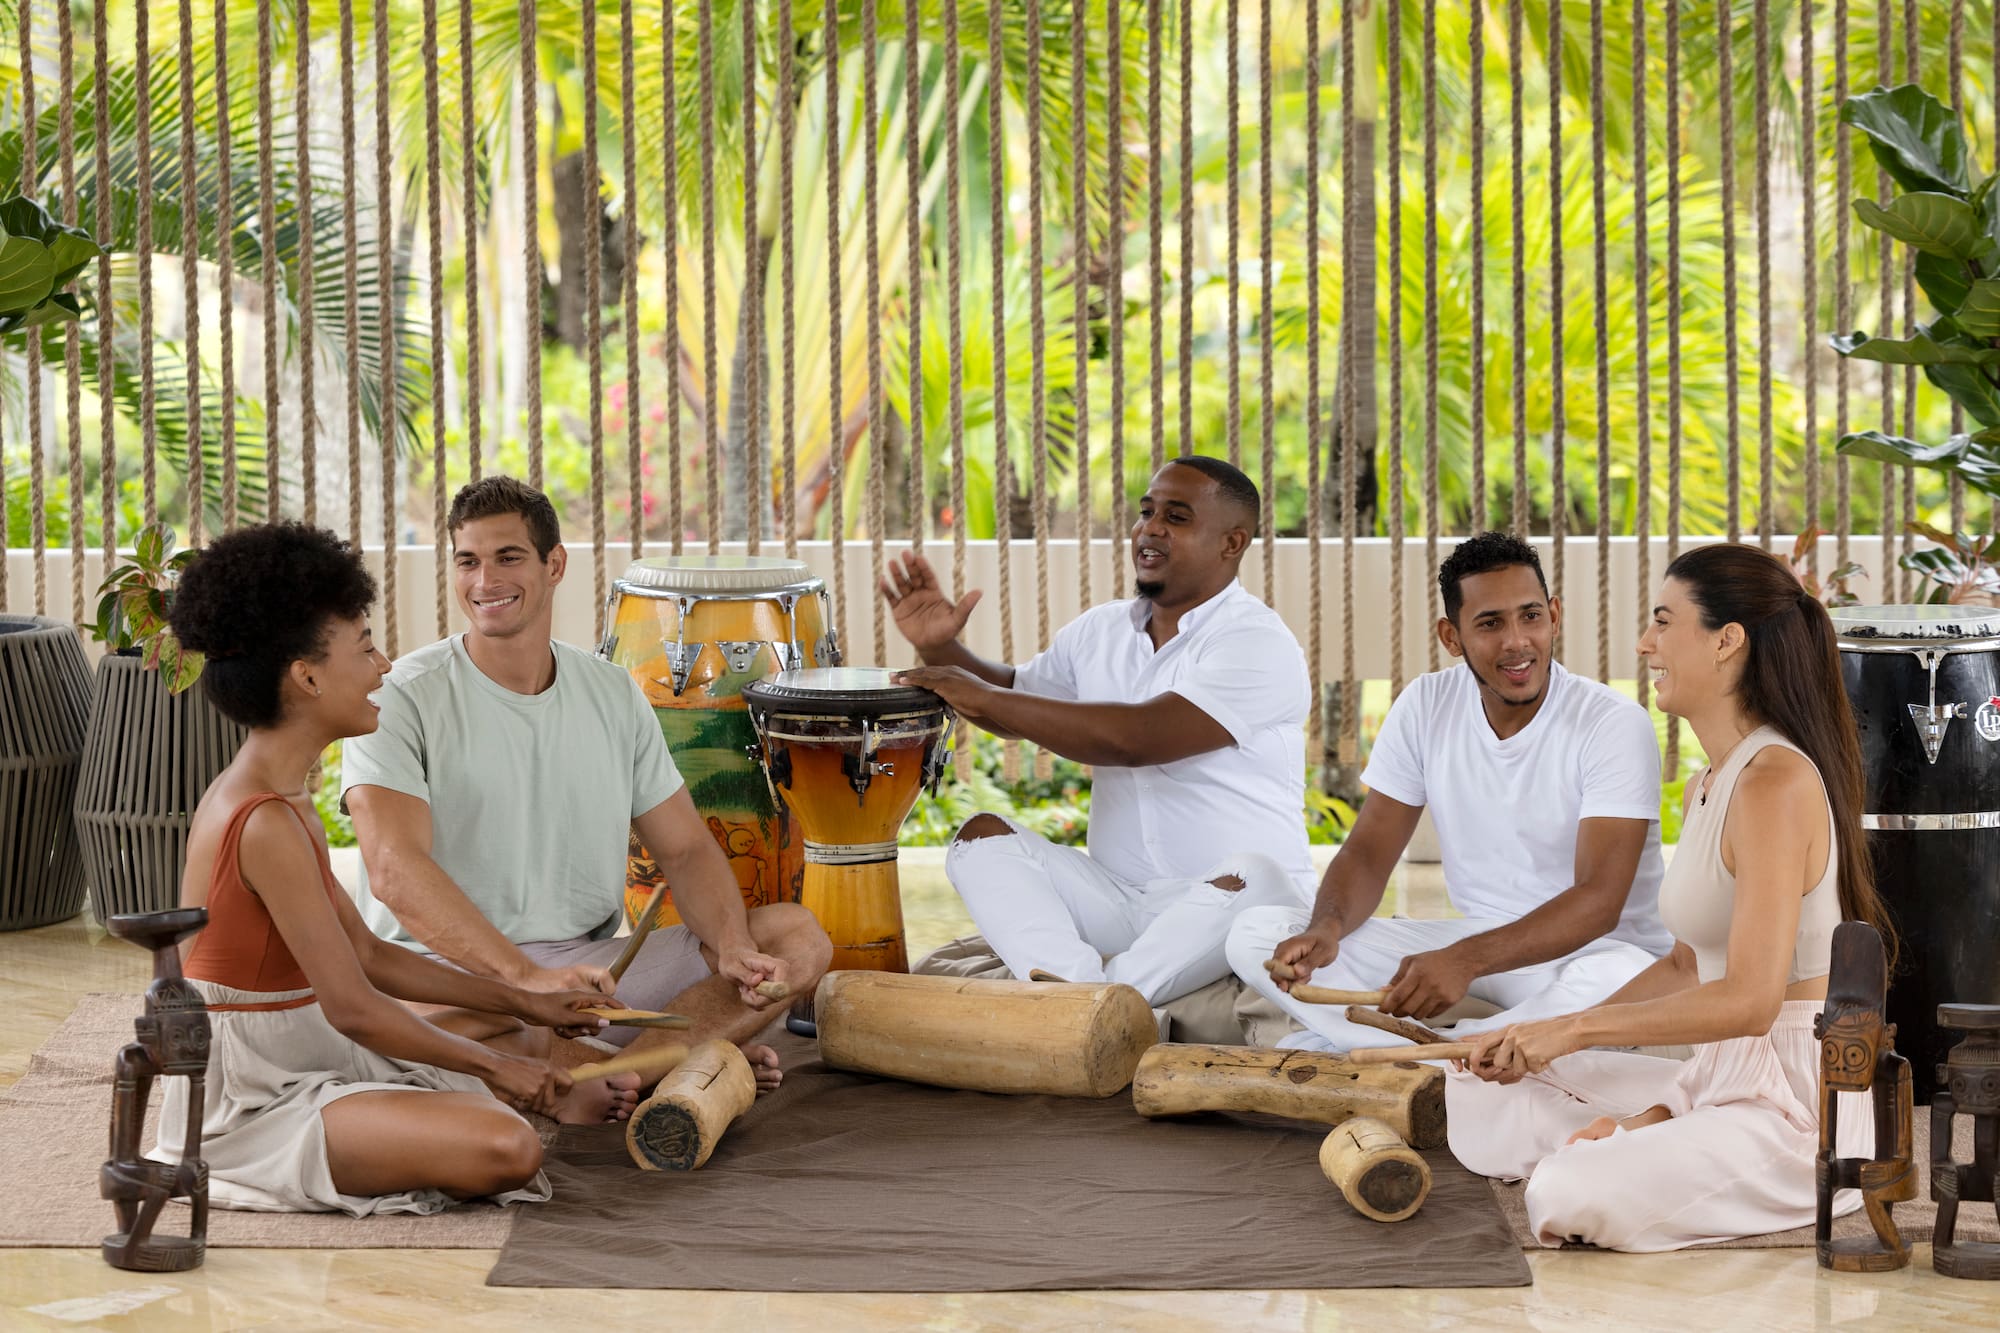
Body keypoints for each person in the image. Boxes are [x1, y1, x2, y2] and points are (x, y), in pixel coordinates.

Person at [160, 522, 620, 1216]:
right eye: (366, 647)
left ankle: (487, 1085)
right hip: (253, 1093)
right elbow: (352, 1005)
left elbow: (370, 953)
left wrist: (527, 995)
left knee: (522, 1037)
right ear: (307, 676)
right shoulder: (264, 822)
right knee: (508, 1145)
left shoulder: (284, 798)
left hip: (307, 1048)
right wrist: (501, 1070)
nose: (383, 666)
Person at [1446, 543, 1888, 1251]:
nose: (1645, 643)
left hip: (1797, 1105)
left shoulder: (1775, 783)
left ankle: (1624, 1150)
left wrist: (1575, 1032)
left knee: (1565, 1190)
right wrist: (1545, 1035)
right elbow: (1688, 966)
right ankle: (1644, 1137)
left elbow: (1750, 1000)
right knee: (1477, 1089)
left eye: (1661, 622)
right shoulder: (1708, 781)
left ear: (1726, 642)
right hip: (1718, 1070)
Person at [341, 477, 832, 1093]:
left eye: (508, 557)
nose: (484, 582)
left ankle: (623, 1070)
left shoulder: (612, 691)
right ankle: (681, 1057)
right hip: (448, 979)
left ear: (555, 565)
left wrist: (732, 946)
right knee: (411, 1027)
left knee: (793, 938)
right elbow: (393, 870)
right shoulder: (400, 695)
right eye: (468, 561)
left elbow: (682, 849)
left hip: (588, 977)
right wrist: (520, 978)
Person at [884, 455, 1311, 1005]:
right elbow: (1017, 704)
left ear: (1232, 544)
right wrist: (942, 648)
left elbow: (1136, 740)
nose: (1149, 529)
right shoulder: (1101, 629)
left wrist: (983, 693)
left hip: (1235, 906)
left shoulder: (1257, 641)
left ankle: (1082, 1001)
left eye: (1176, 518)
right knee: (980, 840)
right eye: (1146, 511)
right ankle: (1089, 1000)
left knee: (1255, 873)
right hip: (1121, 905)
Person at [1228, 531, 1672, 1051]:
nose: (1516, 641)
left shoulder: (1612, 722)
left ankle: (1423, 1052)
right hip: (1476, 940)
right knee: (1257, 933)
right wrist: (1327, 928)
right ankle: (1446, 1055)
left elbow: (1599, 902)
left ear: (1554, 616)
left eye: (1530, 616)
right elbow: (1370, 853)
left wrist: (1463, 961)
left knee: (1617, 983)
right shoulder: (1426, 704)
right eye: (1489, 624)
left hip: (1594, 953)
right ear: (1451, 636)